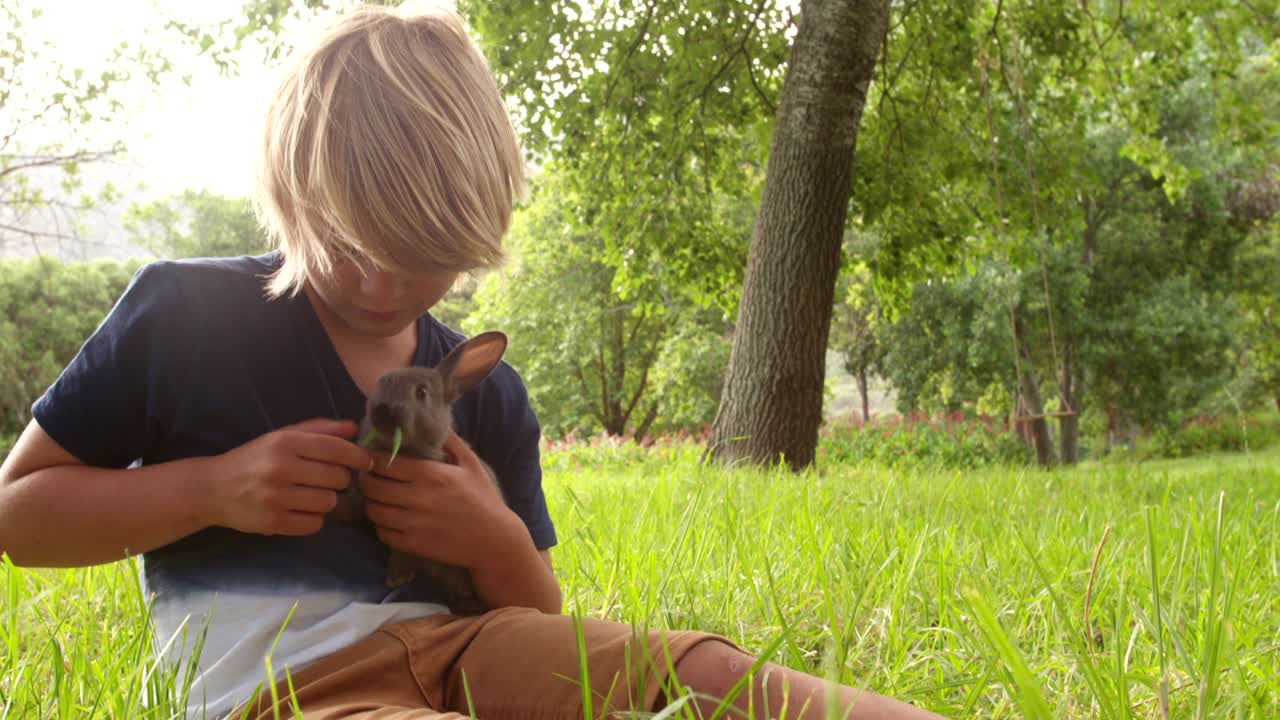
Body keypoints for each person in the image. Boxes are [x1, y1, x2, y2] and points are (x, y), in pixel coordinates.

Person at [0, 3, 945, 719]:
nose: (381, 285)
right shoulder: (184, 317)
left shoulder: (484, 391)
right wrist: (210, 489)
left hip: (478, 647)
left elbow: (538, 611)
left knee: (710, 676)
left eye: (423, 258)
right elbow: (21, 517)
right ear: (291, 198)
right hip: (287, 689)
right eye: (350, 247)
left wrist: (492, 536)